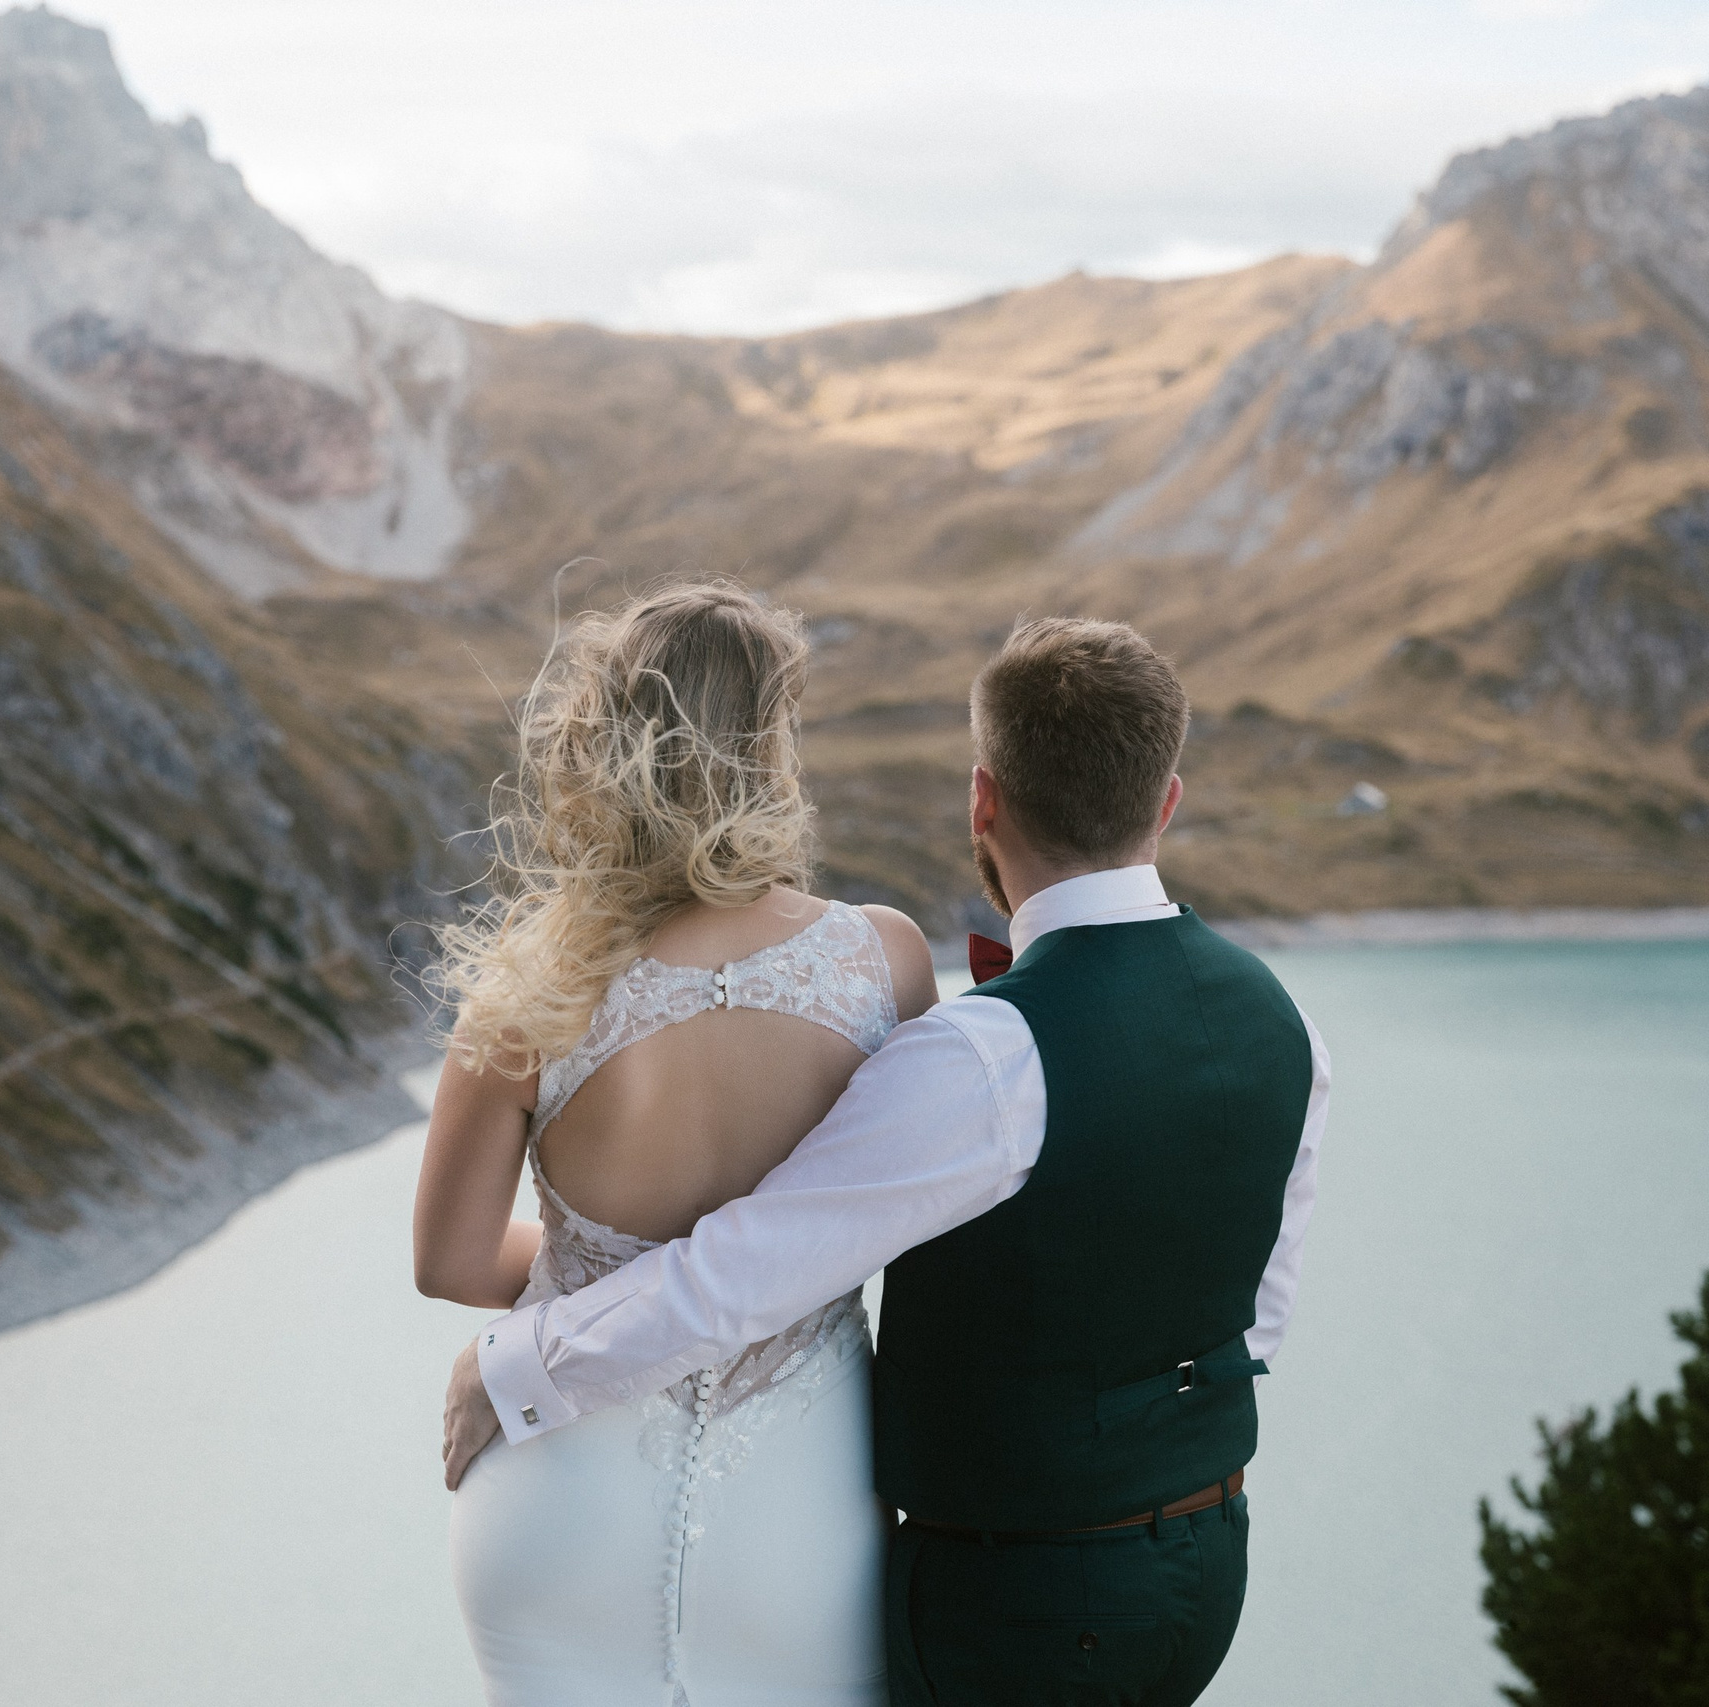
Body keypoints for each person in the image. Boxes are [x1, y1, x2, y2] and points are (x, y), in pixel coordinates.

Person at [443, 615, 1333, 1707]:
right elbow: (1253, 1311)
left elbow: (753, 1266)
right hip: (1198, 1571)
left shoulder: (986, 1054)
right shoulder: (1283, 1024)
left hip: (1008, 1598)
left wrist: (519, 1367)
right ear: (1166, 800)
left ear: (982, 800)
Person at [414, 583, 936, 1705]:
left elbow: (450, 1264)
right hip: (801, 1503)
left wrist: (595, 1283)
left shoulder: (528, 989)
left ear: (595, 740)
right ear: (769, 744)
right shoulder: (881, 965)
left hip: (555, 1494)